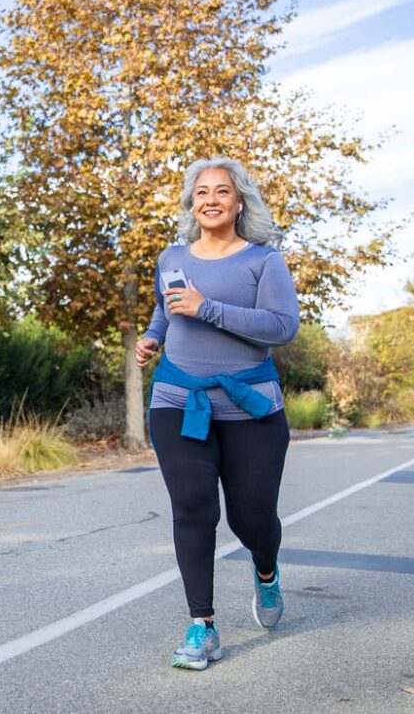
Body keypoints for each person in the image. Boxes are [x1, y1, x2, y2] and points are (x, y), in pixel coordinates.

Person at [135, 157, 299, 671]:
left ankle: (266, 569)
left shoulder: (264, 261)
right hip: (178, 399)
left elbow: (281, 327)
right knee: (193, 508)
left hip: (251, 405)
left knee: (251, 519)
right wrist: (152, 338)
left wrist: (207, 308)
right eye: (200, 192)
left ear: (239, 202)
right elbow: (167, 309)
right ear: (191, 204)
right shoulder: (171, 257)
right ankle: (202, 625)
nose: (210, 199)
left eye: (221, 191)